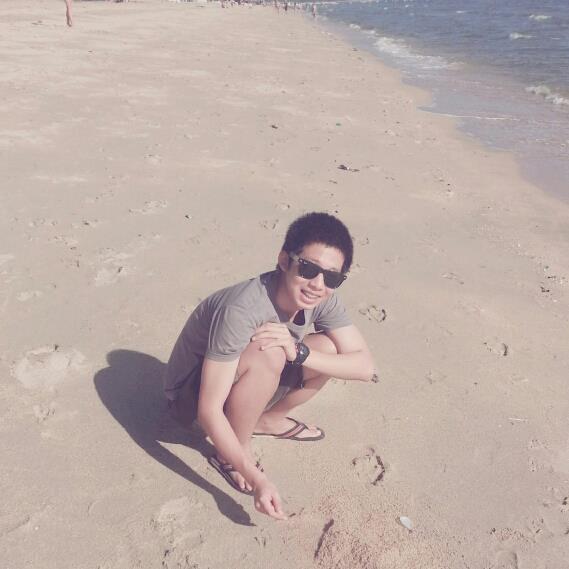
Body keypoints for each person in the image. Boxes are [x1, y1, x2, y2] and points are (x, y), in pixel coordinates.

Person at [164, 212, 375, 520]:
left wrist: (300, 352)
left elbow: (365, 367)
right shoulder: (242, 308)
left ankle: (269, 420)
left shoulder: (322, 298)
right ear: (284, 260)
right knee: (271, 350)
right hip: (189, 399)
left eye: (332, 277)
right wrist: (256, 478)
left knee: (328, 350)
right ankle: (233, 451)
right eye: (308, 268)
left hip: (241, 378)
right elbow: (207, 410)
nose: (318, 284)